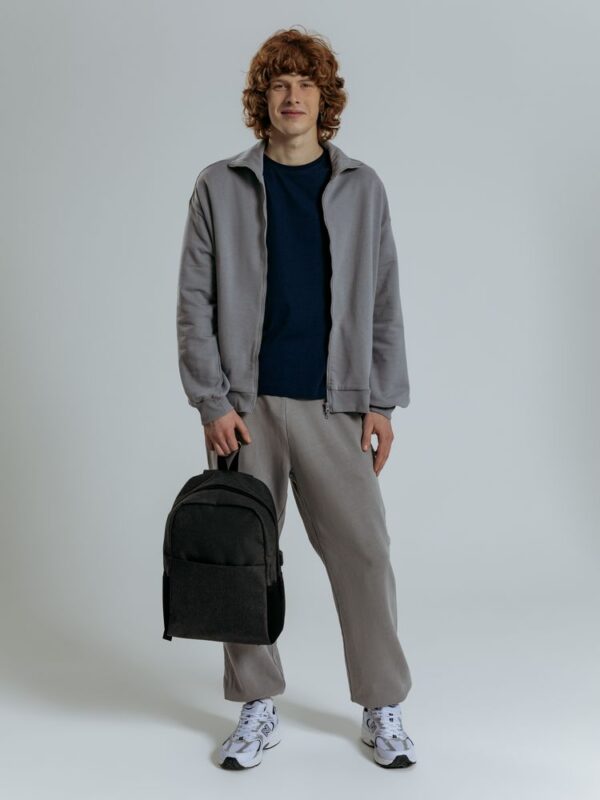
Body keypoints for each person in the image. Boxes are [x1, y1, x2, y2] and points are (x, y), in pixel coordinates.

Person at [176, 26, 417, 770]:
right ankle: (257, 705)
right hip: (245, 409)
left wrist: (382, 402)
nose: (292, 96)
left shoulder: (361, 187)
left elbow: (383, 300)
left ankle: (382, 704)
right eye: (279, 83)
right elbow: (193, 302)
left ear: (324, 98)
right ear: (262, 98)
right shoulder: (219, 185)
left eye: (305, 83)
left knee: (365, 554)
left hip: (336, 404)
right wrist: (212, 402)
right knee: (242, 559)